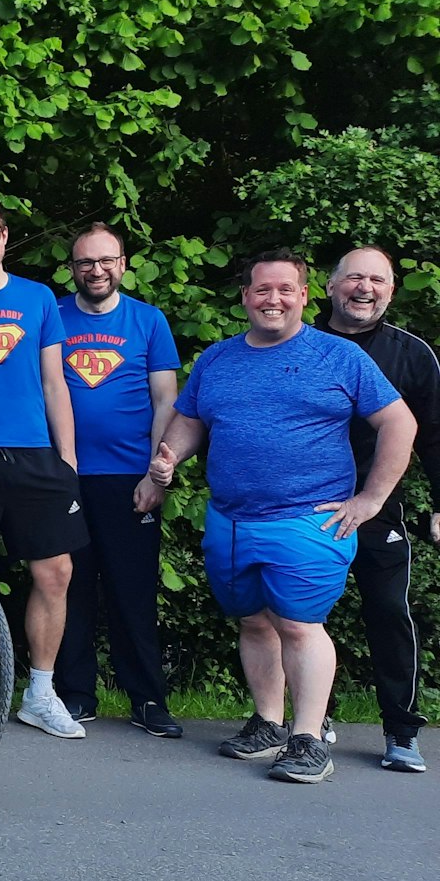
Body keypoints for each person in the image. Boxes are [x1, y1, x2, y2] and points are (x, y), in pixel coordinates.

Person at [149, 249, 414, 784]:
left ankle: (308, 739)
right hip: (230, 519)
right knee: (253, 620)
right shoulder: (217, 359)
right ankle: (269, 723)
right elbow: (191, 419)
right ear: (246, 296)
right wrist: (169, 458)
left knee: (298, 624)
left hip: (308, 519)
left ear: (304, 296)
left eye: (285, 289)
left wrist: (370, 500)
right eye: (263, 289)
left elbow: (399, 424)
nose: (274, 299)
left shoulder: (339, 356)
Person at [0, 194, 89, 741]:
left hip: (34, 454)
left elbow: (55, 382)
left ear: (5, 235)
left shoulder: (38, 296)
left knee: (56, 573)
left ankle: (41, 694)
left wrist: (67, 458)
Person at [50, 223, 183, 738]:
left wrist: (157, 474)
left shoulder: (148, 320)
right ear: (72, 269)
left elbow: (165, 401)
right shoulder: (52, 315)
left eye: (106, 260)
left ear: (123, 264)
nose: (96, 270)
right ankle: (75, 694)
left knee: (133, 593)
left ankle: (147, 699)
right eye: (85, 262)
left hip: (131, 478)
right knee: (70, 589)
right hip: (65, 475)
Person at [316, 244, 440, 772]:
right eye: (354, 278)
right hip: (305, 506)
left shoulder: (413, 354)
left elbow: (434, 435)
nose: (364, 288)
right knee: (299, 616)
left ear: (391, 290)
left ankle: (401, 732)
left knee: (389, 613)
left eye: (377, 280)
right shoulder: (297, 341)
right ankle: (310, 722)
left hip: (379, 508)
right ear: (330, 286)